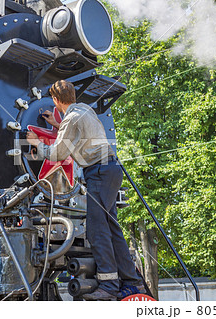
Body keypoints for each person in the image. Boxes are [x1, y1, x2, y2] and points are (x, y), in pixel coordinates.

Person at [26, 80, 144, 301]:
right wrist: (58, 124)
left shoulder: (71, 118)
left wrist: (36, 143)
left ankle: (109, 285)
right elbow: (78, 133)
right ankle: (131, 281)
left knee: (97, 231)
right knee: (111, 228)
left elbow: (58, 153)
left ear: (55, 100)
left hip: (98, 172)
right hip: (111, 169)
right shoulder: (84, 110)